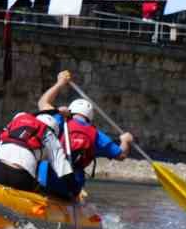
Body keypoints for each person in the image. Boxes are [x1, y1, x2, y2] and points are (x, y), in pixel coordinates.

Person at [35, 71, 134, 200]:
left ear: (71, 111)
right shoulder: (96, 135)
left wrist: (60, 83)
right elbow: (121, 155)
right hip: (70, 187)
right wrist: (125, 140)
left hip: (44, 181)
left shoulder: (59, 119)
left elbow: (43, 103)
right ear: (90, 117)